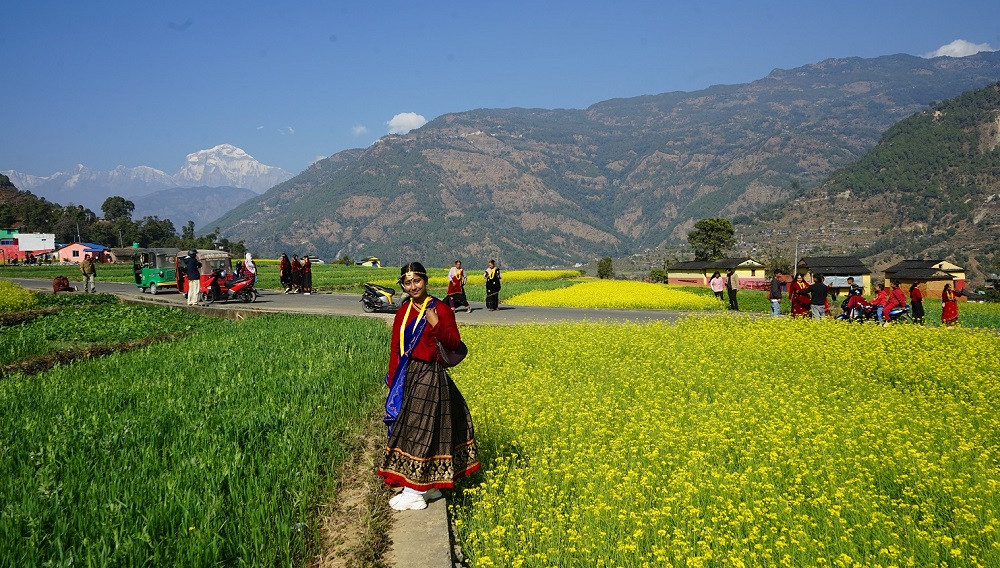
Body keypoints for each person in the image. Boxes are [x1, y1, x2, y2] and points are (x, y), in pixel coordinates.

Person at [377, 262, 480, 511]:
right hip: (408, 375)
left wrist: (435, 323)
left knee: (418, 431)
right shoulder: (403, 312)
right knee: (419, 429)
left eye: (417, 281)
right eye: (408, 283)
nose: (413, 287)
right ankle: (428, 487)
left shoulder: (440, 309)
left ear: (425, 281)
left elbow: (454, 342)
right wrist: (393, 383)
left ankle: (414, 491)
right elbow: (395, 349)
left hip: (430, 376)